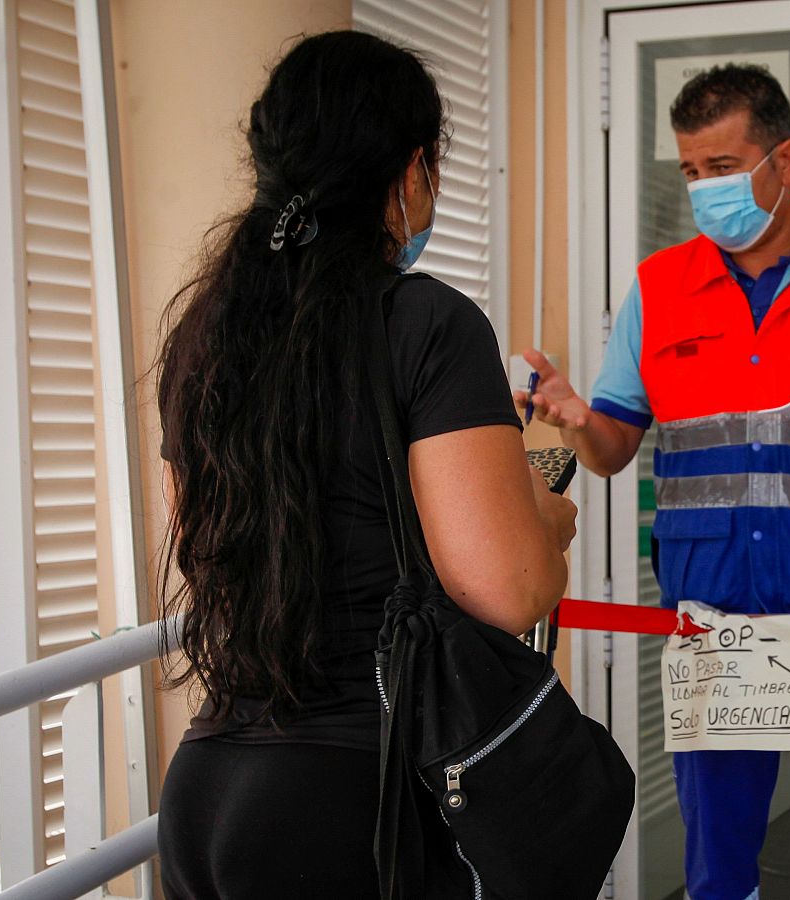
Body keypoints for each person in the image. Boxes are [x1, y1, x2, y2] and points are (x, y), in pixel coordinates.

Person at [153, 31, 577, 897]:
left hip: (208, 789)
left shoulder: (208, 334)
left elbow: (205, 546)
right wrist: (545, 510)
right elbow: (507, 588)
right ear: (412, 173)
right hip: (361, 799)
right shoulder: (425, 323)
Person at [523, 64, 790, 900]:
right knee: (718, 863)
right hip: (719, 627)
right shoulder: (658, 290)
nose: (704, 190)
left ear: (783, 161)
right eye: (691, 171)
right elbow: (615, 450)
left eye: (721, 169)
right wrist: (577, 415)